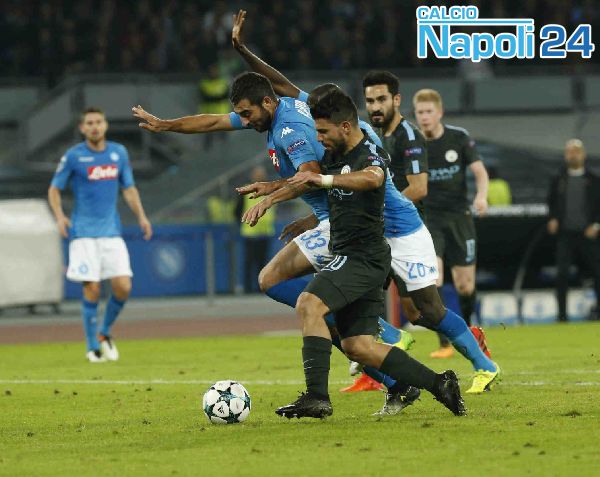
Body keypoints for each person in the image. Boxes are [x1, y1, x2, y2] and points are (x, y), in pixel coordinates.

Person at [228, 10, 499, 397]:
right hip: (356, 233)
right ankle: (377, 345)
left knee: (427, 311)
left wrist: (279, 194)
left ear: (340, 121)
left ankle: (482, 365)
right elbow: (281, 85)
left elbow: (362, 181)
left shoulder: (364, 143)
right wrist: (243, 51)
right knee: (290, 286)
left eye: (320, 125)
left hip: (400, 230)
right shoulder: (327, 126)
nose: (315, 131)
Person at [132, 72, 420, 413]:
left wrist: (271, 195)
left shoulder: (290, 130)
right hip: (332, 219)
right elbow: (213, 121)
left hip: (344, 224)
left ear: (267, 102)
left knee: (288, 290)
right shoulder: (281, 107)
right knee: (305, 304)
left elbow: (310, 177)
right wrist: (167, 125)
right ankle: (392, 377)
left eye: (247, 113)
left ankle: (380, 334)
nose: (244, 120)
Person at [269, 89, 466, 419]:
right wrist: (272, 189)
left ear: (345, 126)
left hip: (362, 257)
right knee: (357, 346)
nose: (318, 138)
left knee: (308, 304)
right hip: (357, 256)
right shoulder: (334, 153)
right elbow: (315, 184)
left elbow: (373, 179)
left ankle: (316, 397)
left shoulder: (369, 153)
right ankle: (440, 383)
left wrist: (325, 179)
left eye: (323, 131)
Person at [48, 107, 152, 363]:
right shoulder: (74, 156)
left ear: (105, 125)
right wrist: (60, 216)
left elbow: (129, 188)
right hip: (83, 233)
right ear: (82, 128)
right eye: (89, 123)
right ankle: (92, 345)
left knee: (123, 286)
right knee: (92, 288)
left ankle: (104, 332)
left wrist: (141, 216)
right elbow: (54, 189)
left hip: (111, 232)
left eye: (98, 122)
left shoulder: (118, 153)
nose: (94, 126)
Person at [413, 88, 491, 359]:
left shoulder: (459, 138)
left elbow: (480, 172)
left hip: (459, 217)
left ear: (440, 112)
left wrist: (481, 196)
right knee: (434, 277)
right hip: (430, 220)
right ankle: (445, 342)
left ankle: (468, 330)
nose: (424, 117)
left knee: (465, 285)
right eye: (420, 112)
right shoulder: (413, 144)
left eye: (428, 112)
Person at [547, 139, 600, 322]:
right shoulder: (558, 179)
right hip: (566, 234)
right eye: (570, 151)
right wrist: (553, 218)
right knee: (562, 274)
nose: (573, 155)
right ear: (565, 155)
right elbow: (551, 203)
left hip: (588, 235)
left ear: (583, 154)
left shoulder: (594, 179)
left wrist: (596, 224)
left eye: (576, 151)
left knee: (597, 272)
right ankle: (562, 316)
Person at [235, 165, 276, 293]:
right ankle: (247, 288)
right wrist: (244, 221)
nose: (260, 176)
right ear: (252, 176)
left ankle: (261, 287)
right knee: (249, 262)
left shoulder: (270, 188)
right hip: (250, 233)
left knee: (262, 262)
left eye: (262, 174)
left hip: (265, 232)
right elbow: (237, 210)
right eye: (257, 174)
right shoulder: (246, 190)